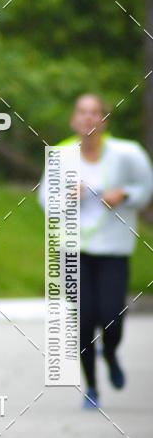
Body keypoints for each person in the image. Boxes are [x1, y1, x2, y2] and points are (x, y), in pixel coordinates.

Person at [40, 94, 153, 408]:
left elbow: (147, 188)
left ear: (104, 120)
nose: (89, 119)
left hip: (113, 249)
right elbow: (44, 202)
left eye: (95, 113)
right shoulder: (62, 154)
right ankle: (92, 388)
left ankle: (112, 352)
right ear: (74, 119)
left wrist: (124, 194)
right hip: (74, 250)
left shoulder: (127, 153)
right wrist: (66, 194)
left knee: (112, 316)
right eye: (82, 112)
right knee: (84, 319)